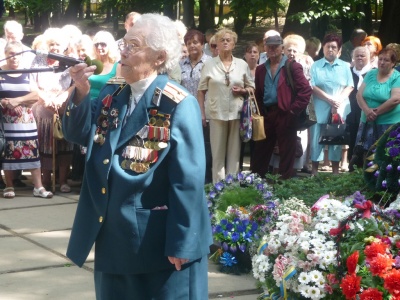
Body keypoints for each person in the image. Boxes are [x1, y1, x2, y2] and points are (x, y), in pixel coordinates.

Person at [64, 13, 212, 299]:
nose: (124, 51)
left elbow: (188, 182)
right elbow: (78, 134)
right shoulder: (112, 93)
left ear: (159, 57)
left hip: (157, 246)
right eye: (124, 43)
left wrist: (183, 243)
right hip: (111, 239)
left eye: (134, 45)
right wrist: (81, 93)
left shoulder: (177, 104)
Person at [251, 35, 312, 179]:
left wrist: (293, 110)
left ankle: (285, 185)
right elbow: (258, 94)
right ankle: (256, 183)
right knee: (261, 151)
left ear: (282, 48)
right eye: (269, 46)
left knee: (287, 152)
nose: (272, 49)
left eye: (275, 46)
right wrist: (261, 113)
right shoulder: (260, 69)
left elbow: (305, 90)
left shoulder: (292, 66)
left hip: (286, 114)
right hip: (267, 114)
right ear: (265, 48)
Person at [198, 28, 255, 183]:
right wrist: (202, 114)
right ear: (216, 43)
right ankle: (218, 190)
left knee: (234, 155)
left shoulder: (242, 64)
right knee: (217, 155)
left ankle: (232, 190)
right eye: (221, 39)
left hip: (236, 114)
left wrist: (243, 90)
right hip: (216, 114)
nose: (225, 42)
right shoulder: (209, 64)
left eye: (228, 39)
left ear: (234, 44)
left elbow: (251, 88)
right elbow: (201, 91)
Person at [0, 41, 53, 199]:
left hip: (26, 120)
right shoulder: (0, 73)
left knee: (31, 151)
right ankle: (9, 185)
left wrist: (18, 101)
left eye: (18, 55)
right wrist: (5, 102)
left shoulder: (26, 72)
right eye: (11, 54)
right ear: (6, 54)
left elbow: (35, 95)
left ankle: (38, 187)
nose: (14, 58)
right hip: (6, 119)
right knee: (9, 151)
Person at [31, 28, 74, 193]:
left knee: (64, 145)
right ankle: (46, 180)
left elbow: (74, 84)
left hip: (63, 106)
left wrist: (62, 98)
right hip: (43, 108)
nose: (55, 47)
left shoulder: (68, 61)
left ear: (63, 46)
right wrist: (44, 98)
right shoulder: (39, 59)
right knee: (44, 146)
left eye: (58, 44)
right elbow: (32, 83)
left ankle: (63, 180)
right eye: (51, 44)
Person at [269, 34, 314, 175]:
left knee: (296, 143)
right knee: (278, 144)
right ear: (283, 49)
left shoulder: (304, 64)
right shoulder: (277, 65)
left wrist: (294, 110)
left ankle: (293, 171)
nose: (291, 53)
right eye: (289, 50)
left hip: (296, 111)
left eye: (295, 51)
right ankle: (277, 172)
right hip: (278, 111)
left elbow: (308, 87)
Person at [310, 33, 354, 176]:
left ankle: (335, 172)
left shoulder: (345, 66)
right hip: (320, 106)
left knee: (337, 137)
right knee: (317, 137)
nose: (330, 50)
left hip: (340, 107)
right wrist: (330, 99)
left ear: (339, 50)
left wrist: (338, 101)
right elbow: (312, 86)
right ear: (323, 48)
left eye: (334, 47)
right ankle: (314, 171)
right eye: (328, 46)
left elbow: (350, 86)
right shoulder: (315, 66)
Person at [180, 29, 211, 183]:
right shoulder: (181, 64)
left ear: (202, 44)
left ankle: (206, 180)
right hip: (185, 112)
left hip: (205, 111)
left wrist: (203, 113)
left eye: (195, 42)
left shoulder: (210, 63)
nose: (192, 46)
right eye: (189, 43)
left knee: (205, 147)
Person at [355, 48, 400, 157]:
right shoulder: (371, 73)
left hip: (388, 123)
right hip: (367, 121)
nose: (382, 62)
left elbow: (396, 99)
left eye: (386, 60)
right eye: (380, 59)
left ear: (393, 63)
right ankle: (362, 174)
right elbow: (359, 95)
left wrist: (375, 112)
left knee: (385, 155)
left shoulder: (397, 77)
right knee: (365, 153)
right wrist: (367, 111)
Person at [347, 46, 372, 171]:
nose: (360, 58)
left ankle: (366, 167)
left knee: (367, 138)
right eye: (357, 55)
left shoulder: (373, 72)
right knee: (352, 138)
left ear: (369, 57)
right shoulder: (348, 71)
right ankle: (352, 167)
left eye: (362, 55)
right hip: (351, 110)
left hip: (368, 110)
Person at [89, 31, 121, 101]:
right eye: (96, 44)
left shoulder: (118, 67)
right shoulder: (90, 64)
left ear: (110, 45)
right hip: (87, 105)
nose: (99, 47)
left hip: (104, 106)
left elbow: (119, 91)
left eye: (103, 44)